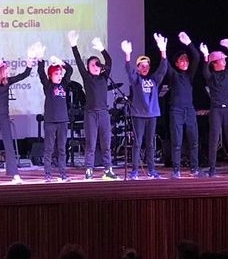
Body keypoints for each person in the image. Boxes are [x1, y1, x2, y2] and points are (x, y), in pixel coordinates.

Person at [0, 38, 33, 184]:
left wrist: (29, 63)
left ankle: (15, 175)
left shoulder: (8, 81)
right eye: (5, 68)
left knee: (9, 146)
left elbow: (24, 75)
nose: (8, 70)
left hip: (4, 118)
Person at [68, 30, 118, 180]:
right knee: (90, 144)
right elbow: (78, 62)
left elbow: (109, 62)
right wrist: (74, 46)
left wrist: (102, 49)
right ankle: (89, 170)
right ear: (88, 67)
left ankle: (107, 170)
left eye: (97, 64)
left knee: (106, 144)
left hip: (103, 113)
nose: (95, 67)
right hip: (90, 114)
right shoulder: (87, 77)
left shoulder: (104, 77)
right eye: (92, 64)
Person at [121, 33, 168, 178]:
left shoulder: (154, 80)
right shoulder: (136, 80)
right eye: (142, 65)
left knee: (150, 144)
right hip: (138, 115)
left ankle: (152, 170)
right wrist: (128, 55)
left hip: (152, 114)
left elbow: (163, 69)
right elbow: (129, 71)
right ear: (138, 67)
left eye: (147, 65)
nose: (145, 67)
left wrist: (163, 51)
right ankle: (134, 171)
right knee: (137, 143)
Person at [200, 37, 228, 176]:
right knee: (214, 139)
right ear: (215, 63)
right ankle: (212, 168)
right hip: (216, 110)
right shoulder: (211, 76)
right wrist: (206, 57)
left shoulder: (226, 73)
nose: (225, 61)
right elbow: (205, 71)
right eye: (222, 59)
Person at [36, 44, 74, 183]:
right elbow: (41, 72)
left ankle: (63, 174)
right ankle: (48, 175)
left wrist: (61, 63)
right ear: (50, 75)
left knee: (62, 148)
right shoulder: (48, 86)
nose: (59, 76)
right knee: (49, 149)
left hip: (63, 121)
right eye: (56, 74)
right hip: (50, 121)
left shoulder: (63, 84)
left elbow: (70, 70)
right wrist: (40, 58)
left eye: (60, 74)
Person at [167, 33, 203, 177]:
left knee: (194, 141)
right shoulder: (174, 75)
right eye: (182, 60)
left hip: (190, 111)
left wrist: (189, 43)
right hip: (176, 111)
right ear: (176, 63)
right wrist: (163, 50)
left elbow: (197, 58)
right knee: (177, 142)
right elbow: (166, 66)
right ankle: (176, 170)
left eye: (186, 60)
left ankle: (194, 168)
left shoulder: (189, 75)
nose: (185, 62)